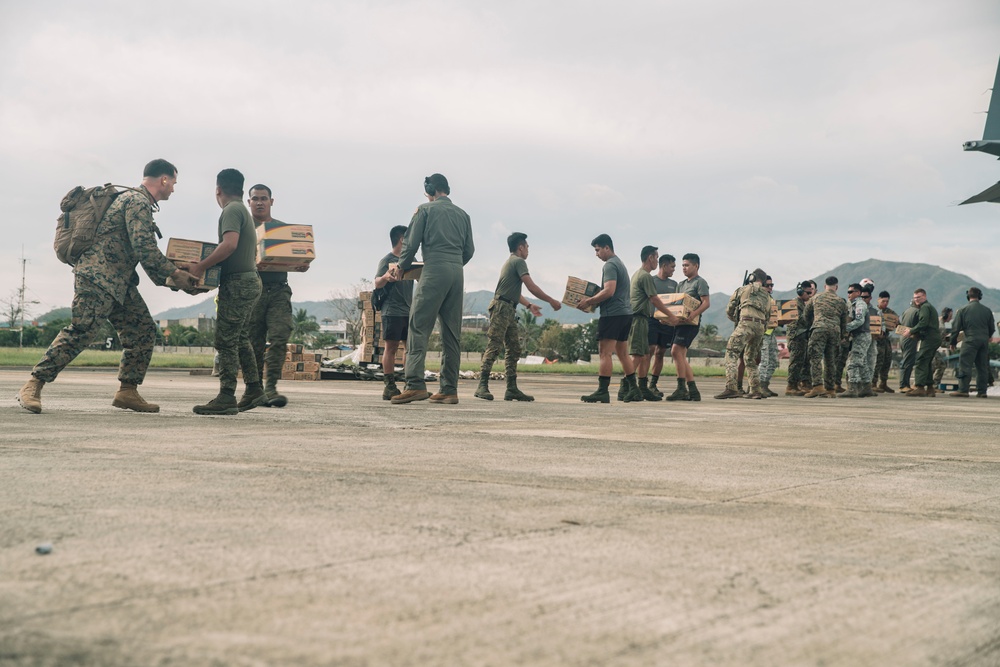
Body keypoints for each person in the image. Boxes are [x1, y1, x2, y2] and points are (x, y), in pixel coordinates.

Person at [17, 159, 198, 414]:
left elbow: (143, 254)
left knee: (143, 331)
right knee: (82, 330)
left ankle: (127, 391)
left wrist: (174, 280)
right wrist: (175, 274)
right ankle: (34, 384)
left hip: (119, 282)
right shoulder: (136, 201)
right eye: (174, 183)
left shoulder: (135, 201)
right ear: (164, 180)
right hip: (97, 276)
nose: (173, 190)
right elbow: (145, 248)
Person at [390, 174, 474, 405]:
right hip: (457, 273)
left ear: (430, 189)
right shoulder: (463, 215)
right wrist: (453, 264)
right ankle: (449, 389)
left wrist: (401, 268)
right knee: (451, 334)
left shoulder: (425, 210)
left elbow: (410, 243)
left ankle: (415, 385)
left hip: (434, 269)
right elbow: (469, 250)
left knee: (418, 327)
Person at [185, 169, 263, 415]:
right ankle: (253, 389)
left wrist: (200, 267)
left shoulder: (231, 210)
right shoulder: (242, 210)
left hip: (239, 283)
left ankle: (227, 395)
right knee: (239, 339)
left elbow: (229, 245)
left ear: (218, 189)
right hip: (247, 281)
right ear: (241, 189)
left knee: (225, 341)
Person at [475, 232, 561, 402]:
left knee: (514, 348)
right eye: (527, 246)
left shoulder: (511, 262)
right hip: (501, 309)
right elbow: (531, 286)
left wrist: (529, 305)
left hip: (508, 308)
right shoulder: (518, 261)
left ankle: (511, 389)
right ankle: (482, 386)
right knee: (494, 345)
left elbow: (511, 292)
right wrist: (551, 300)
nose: (528, 250)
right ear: (520, 247)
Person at [246, 184, 294, 408]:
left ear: (271, 201)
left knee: (279, 336)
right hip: (253, 290)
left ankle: (271, 386)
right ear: (249, 202)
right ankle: (254, 389)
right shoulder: (243, 228)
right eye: (255, 198)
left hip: (278, 290)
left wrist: (300, 264)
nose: (259, 202)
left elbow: (297, 255)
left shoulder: (282, 230)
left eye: (264, 198)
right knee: (253, 342)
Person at [576, 234, 636, 403]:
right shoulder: (620, 263)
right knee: (623, 353)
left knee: (605, 353)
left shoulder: (610, 265)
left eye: (597, 250)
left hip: (613, 314)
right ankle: (634, 389)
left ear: (606, 248)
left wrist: (589, 301)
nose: (597, 254)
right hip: (625, 313)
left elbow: (609, 290)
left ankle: (602, 391)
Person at [626, 245, 680, 401]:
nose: (656, 260)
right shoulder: (647, 277)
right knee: (640, 354)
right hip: (645, 319)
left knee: (643, 353)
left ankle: (642, 388)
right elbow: (654, 299)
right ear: (651, 258)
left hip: (644, 319)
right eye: (656, 257)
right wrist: (670, 316)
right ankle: (627, 387)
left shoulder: (639, 275)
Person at [716, 269, 771, 399]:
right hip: (760, 327)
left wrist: (737, 319)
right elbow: (768, 316)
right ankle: (755, 390)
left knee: (731, 352)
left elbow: (730, 309)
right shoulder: (767, 296)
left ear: (752, 277)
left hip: (746, 323)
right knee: (750, 359)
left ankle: (731, 387)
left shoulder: (743, 289)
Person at [375, 225, 414, 400]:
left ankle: (409, 384)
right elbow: (377, 283)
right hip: (391, 310)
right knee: (391, 348)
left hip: (408, 309)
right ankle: (389, 386)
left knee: (409, 348)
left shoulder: (411, 260)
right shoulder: (387, 260)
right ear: (401, 239)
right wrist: (385, 277)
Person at [667, 253, 711, 402]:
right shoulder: (681, 284)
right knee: (679, 355)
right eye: (683, 265)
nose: (684, 268)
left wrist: (694, 314)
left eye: (687, 265)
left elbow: (706, 302)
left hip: (691, 323)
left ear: (696, 266)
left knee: (675, 351)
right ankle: (692, 391)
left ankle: (682, 389)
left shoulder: (700, 282)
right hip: (680, 323)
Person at [803, 276, 848, 398]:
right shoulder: (841, 301)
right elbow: (844, 322)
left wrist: (810, 325)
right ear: (836, 287)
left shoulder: (816, 297)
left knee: (815, 357)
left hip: (819, 329)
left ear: (824, 286)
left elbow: (806, 315)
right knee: (831, 360)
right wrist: (843, 335)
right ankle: (830, 389)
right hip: (835, 331)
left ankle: (817, 386)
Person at [949, 287, 995, 398]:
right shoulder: (987, 310)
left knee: (965, 365)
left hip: (970, 340)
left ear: (968, 296)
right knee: (982, 366)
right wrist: (986, 337)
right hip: (983, 342)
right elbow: (992, 328)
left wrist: (953, 342)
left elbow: (955, 328)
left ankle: (963, 389)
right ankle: (982, 391)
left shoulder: (963, 310)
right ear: (980, 296)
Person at [647, 254, 678, 398]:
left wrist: (670, 319)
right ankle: (642, 383)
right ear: (664, 266)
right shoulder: (651, 281)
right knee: (650, 350)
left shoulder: (674, 284)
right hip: (652, 321)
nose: (674, 270)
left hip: (668, 323)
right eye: (672, 267)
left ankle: (652, 385)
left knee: (660, 353)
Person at [903, 288, 941, 397]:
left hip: (930, 338)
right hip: (933, 338)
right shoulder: (929, 307)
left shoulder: (925, 307)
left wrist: (911, 330)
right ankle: (930, 388)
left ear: (924, 296)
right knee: (927, 362)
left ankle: (919, 387)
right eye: (915, 298)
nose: (916, 300)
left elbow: (923, 323)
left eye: (918, 297)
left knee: (921, 360)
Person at [840, 283, 873, 398]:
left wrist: (844, 328)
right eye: (848, 292)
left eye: (851, 292)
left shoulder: (860, 304)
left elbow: (859, 321)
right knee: (862, 362)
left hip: (861, 336)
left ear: (858, 293)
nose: (848, 294)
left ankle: (853, 388)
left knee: (853, 362)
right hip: (859, 335)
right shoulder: (853, 304)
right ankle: (867, 387)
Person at [784, 280, 815, 396]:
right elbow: (802, 319)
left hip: (802, 336)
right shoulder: (794, 304)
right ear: (801, 291)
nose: (810, 295)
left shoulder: (803, 303)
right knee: (795, 361)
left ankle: (799, 384)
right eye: (808, 293)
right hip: (796, 336)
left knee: (803, 361)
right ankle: (791, 385)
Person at [756, 276, 779, 397]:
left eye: (772, 285)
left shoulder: (770, 298)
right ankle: (759, 386)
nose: (770, 287)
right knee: (764, 361)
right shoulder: (759, 298)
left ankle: (765, 384)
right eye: (767, 285)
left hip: (771, 333)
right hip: (763, 334)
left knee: (774, 361)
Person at [873, 291, 897, 393]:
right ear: (878, 300)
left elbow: (897, 323)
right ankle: (873, 383)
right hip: (876, 340)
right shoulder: (873, 311)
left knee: (887, 361)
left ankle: (883, 383)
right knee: (877, 361)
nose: (885, 303)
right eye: (883, 301)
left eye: (887, 301)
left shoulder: (890, 312)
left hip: (886, 340)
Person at [897, 298, 920, 392]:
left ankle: (904, 384)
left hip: (903, 337)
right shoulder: (917, 312)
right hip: (910, 337)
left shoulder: (906, 311)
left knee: (906, 360)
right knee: (907, 362)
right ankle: (903, 385)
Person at [931, 308, 953, 387]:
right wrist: (951, 344)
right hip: (931, 349)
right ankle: (934, 385)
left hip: (929, 348)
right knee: (940, 365)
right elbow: (941, 343)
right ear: (945, 315)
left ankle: (931, 385)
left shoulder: (936, 321)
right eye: (950, 316)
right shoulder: (941, 327)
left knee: (935, 366)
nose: (951, 318)